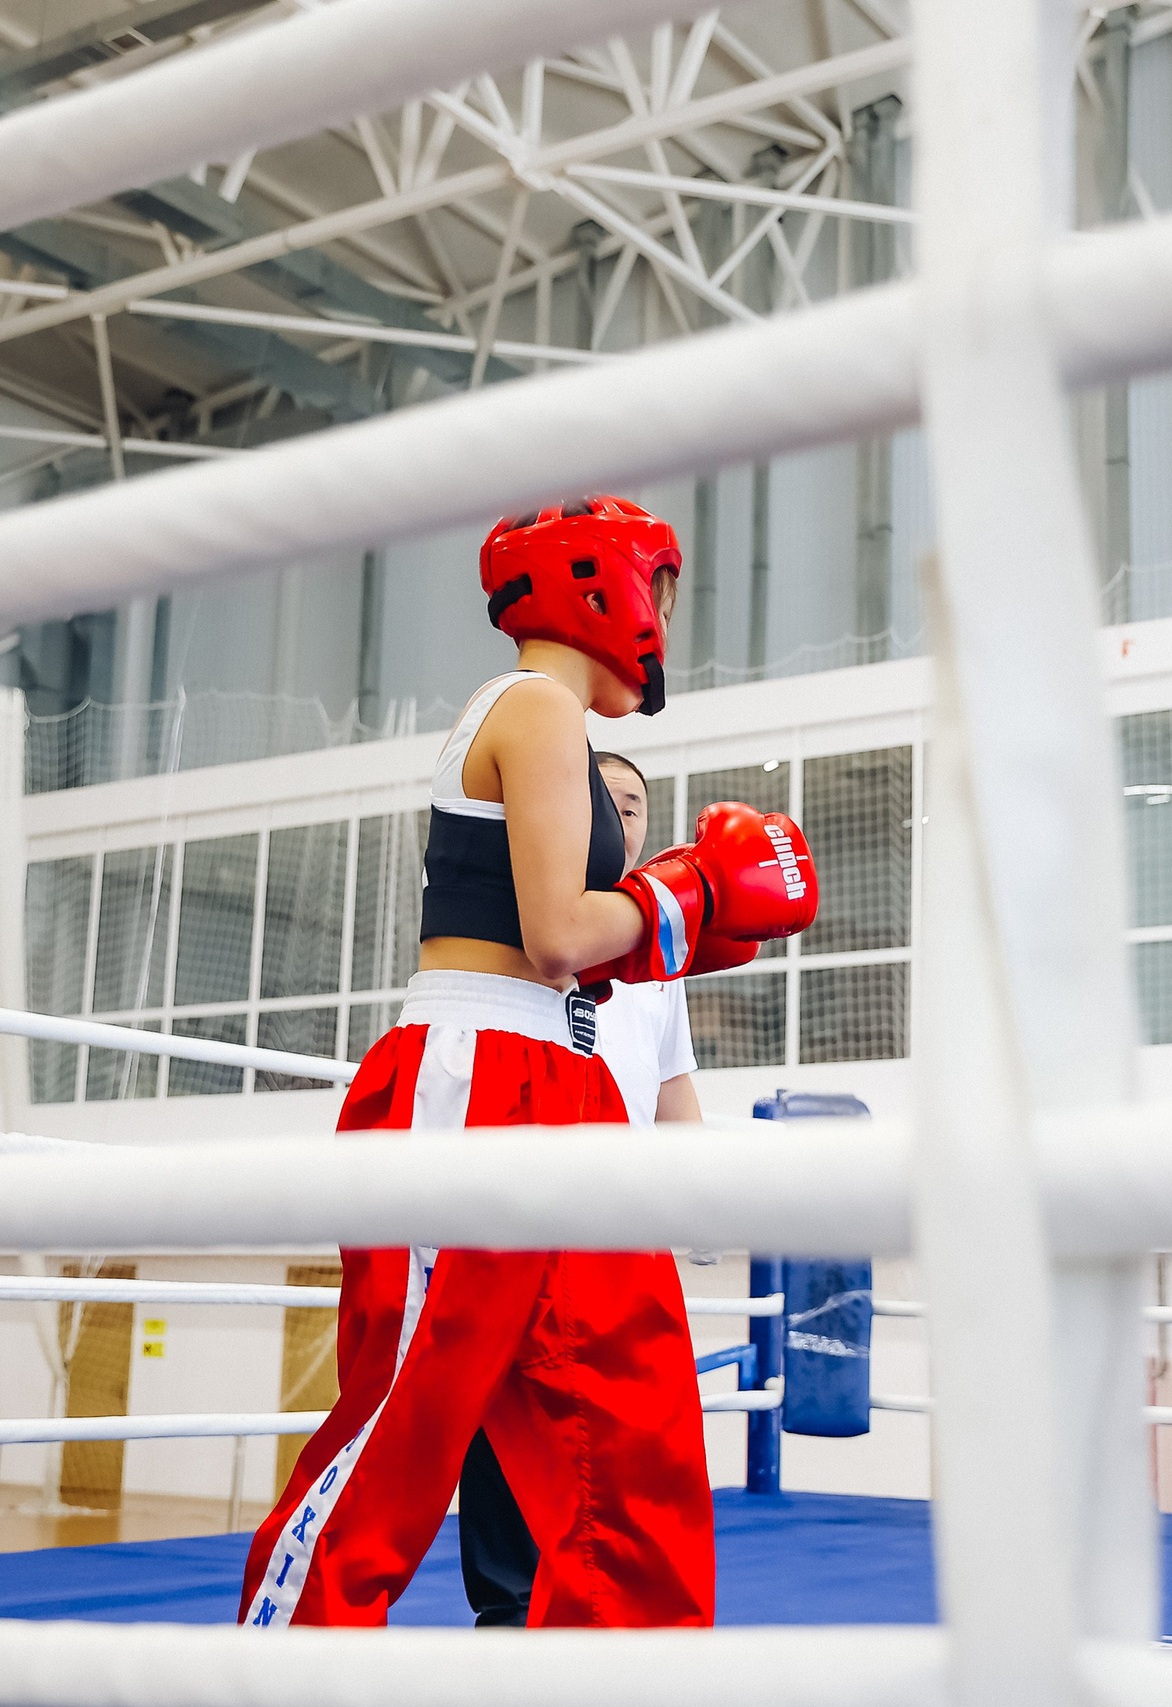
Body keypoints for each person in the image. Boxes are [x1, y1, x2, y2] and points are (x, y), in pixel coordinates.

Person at [239, 496, 815, 1631]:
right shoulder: (536, 705)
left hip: (564, 1081)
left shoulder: (560, 727)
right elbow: (556, 936)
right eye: (658, 593)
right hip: (477, 1073)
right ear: (602, 586)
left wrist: (679, 917)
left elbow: (576, 946)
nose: (662, 622)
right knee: (403, 1430)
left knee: (631, 1428)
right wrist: (692, 892)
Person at [454, 748, 715, 1628]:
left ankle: (609, 1633)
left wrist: (710, 1201)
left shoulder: (660, 958)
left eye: (634, 805)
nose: (620, 816)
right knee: (507, 1411)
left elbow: (674, 1091)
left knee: (630, 1436)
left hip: (621, 1219)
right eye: (603, 800)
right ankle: (506, 1617)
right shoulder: (522, 922)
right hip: (524, 1197)